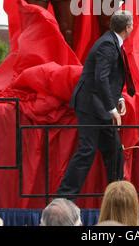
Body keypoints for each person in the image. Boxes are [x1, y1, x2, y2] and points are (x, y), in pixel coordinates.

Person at [57, 10, 133, 197]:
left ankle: (117, 197)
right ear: (128, 28)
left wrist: (119, 98)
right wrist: (112, 108)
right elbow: (100, 78)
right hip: (90, 105)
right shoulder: (107, 44)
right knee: (87, 150)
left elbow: (110, 78)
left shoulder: (112, 41)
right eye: (131, 24)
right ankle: (64, 198)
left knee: (114, 151)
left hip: (100, 104)